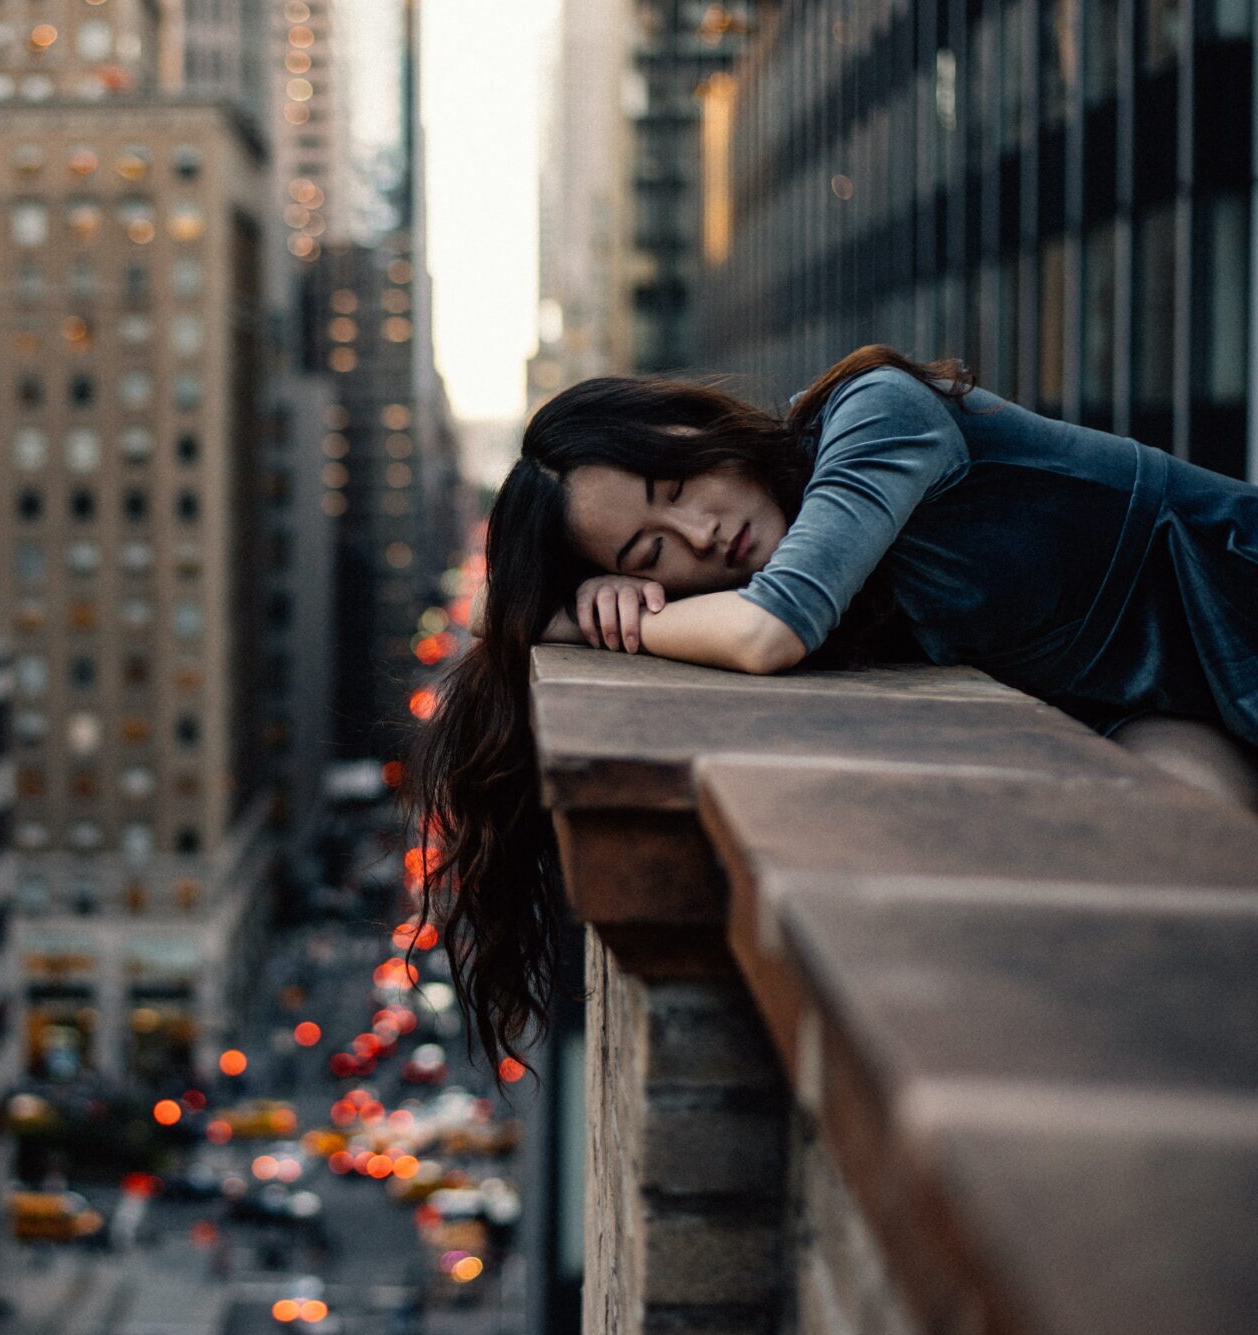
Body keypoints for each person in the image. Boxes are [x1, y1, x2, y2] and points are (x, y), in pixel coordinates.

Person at [408, 344, 1258, 1078]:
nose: (700, 533)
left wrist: (588, 618)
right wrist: (588, 602)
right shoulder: (823, 574)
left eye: (676, 482)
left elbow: (772, 629)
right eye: (651, 550)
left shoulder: (876, 413)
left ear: (699, 425)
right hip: (1159, 705)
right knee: (1177, 878)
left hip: (1237, 611)